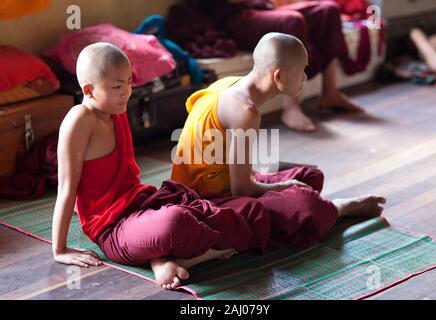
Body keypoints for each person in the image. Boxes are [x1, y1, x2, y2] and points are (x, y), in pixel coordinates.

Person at [52, 42, 272, 290]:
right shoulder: (79, 120)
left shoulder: (115, 109)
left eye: (129, 82)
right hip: (112, 228)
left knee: (242, 209)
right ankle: (193, 255)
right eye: (116, 86)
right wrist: (59, 249)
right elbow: (66, 188)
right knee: (175, 222)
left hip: (141, 204)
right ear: (89, 90)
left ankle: (164, 259)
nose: (126, 92)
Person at [171, 32, 386, 254]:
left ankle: (316, 206)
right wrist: (282, 186)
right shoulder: (245, 112)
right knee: (305, 204)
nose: (305, 77)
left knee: (310, 177)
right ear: (278, 76)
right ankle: (339, 208)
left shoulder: (229, 84)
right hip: (205, 201)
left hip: (224, 181)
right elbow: (241, 189)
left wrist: (281, 183)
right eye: (301, 70)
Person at [197, 0, 364, 132]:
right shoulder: (247, 114)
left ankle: (330, 93)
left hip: (261, 6)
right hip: (231, 15)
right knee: (292, 20)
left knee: (329, 9)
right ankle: (291, 107)